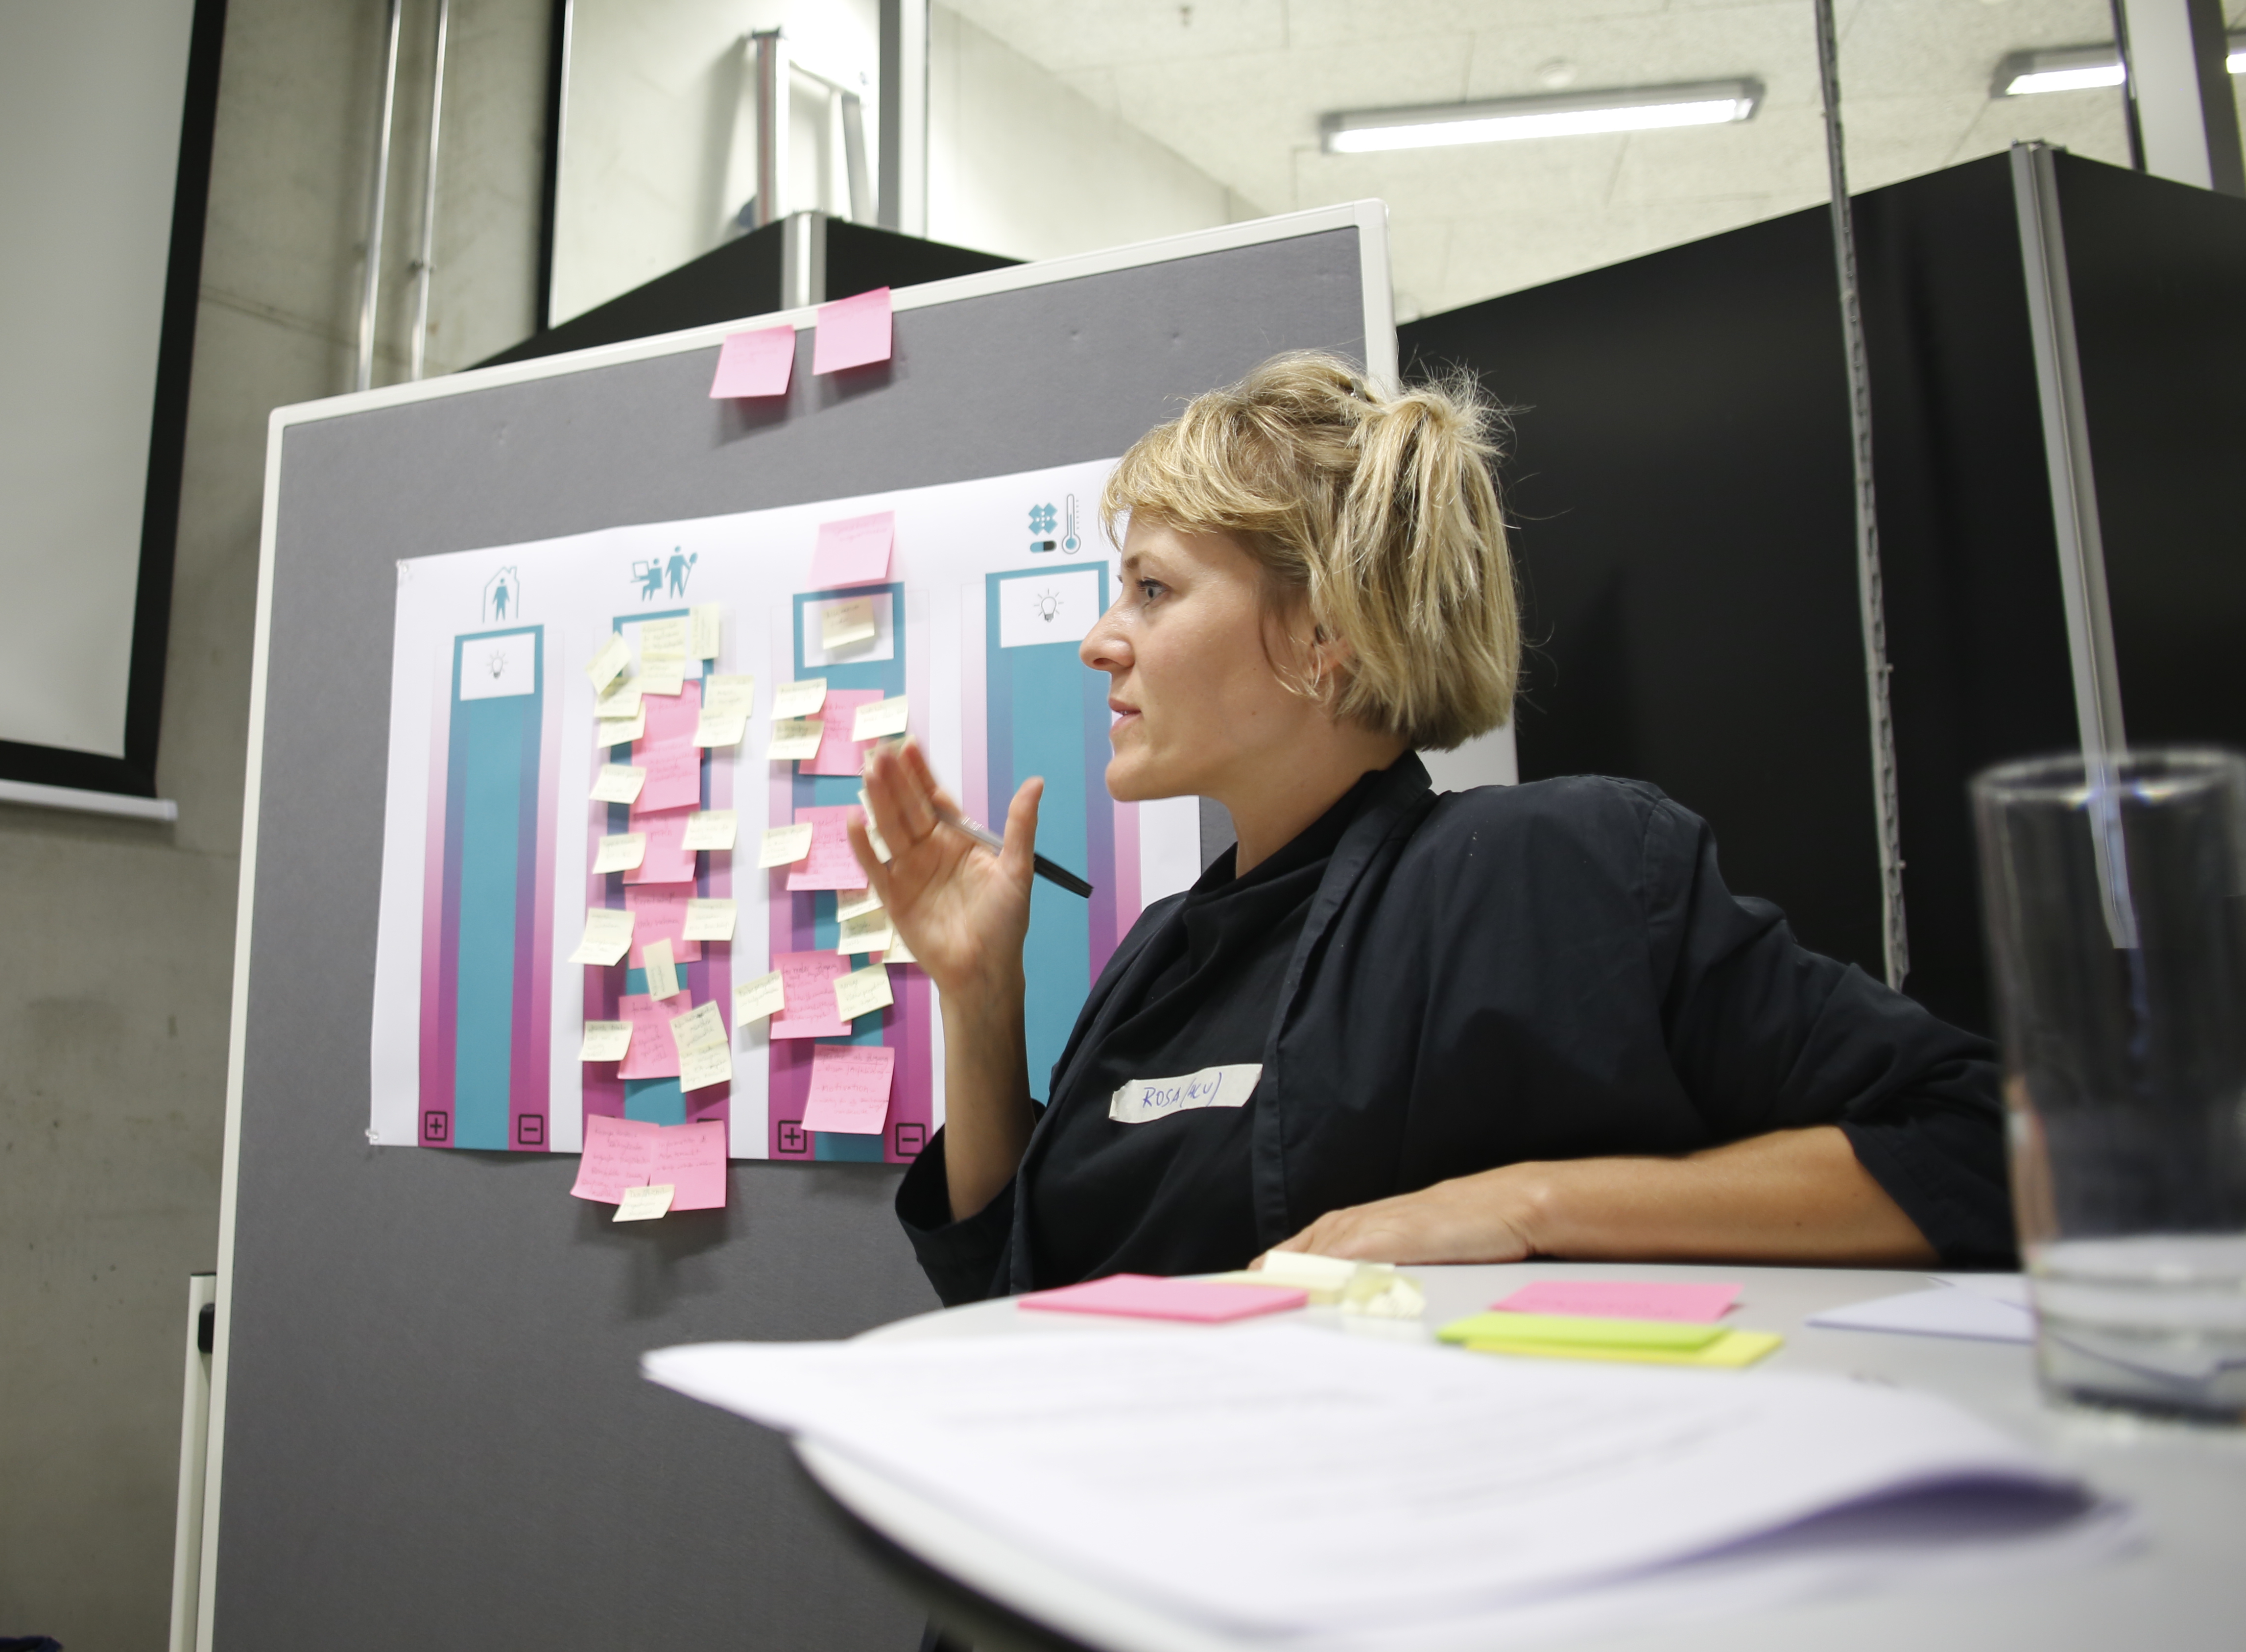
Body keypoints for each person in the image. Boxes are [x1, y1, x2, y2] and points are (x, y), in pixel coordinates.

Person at [858, 352, 2012, 1305]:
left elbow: (1982, 1151)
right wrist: (980, 996)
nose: (1100, 642)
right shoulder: (1162, 955)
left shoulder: (1551, 875)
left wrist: (1521, 1207)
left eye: (1152, 591)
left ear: (1325, 635)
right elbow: (1009, 1295)